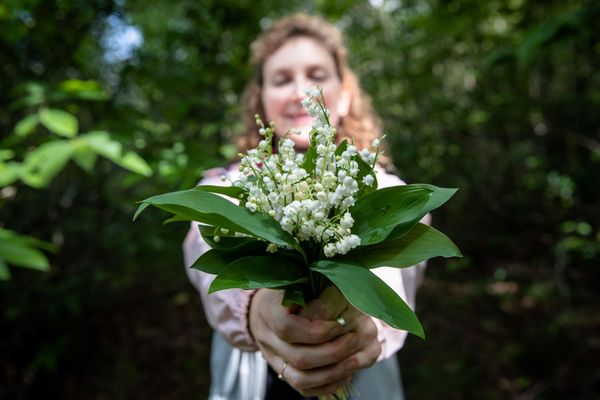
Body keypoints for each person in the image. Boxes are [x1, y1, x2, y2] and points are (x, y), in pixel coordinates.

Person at [183, 14, 427, 400]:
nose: (301, 92)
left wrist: (369, 315)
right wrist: (255, 306)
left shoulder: (377, 182)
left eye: (316, 75)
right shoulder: (233, 182)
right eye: (281, 80)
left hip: (360, 375)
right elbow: (203, 236)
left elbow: (406, 239)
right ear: (260, 99)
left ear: (344, 95)